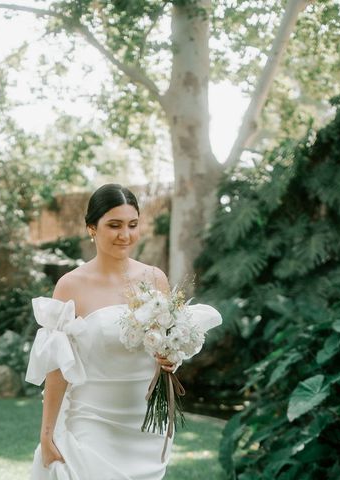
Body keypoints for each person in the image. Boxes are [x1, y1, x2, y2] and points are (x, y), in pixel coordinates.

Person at [25, 183, 222, 480]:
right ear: (92, 227)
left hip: (143, 424)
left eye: (132, 225)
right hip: (92, 418)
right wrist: (47, 433)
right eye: (114, 225)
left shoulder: (155, 278)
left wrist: (171, 360)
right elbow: (57, 365)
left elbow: (166, 345)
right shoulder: (70, 285)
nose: (125, 235)